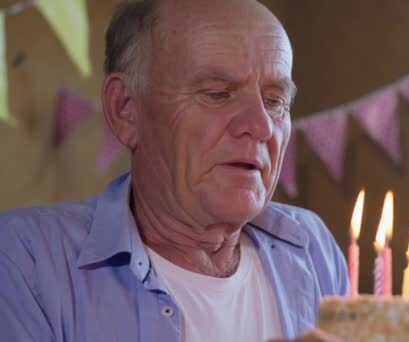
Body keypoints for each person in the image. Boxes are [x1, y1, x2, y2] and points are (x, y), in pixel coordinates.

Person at [0, 0, 348, 341]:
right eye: (218, 94)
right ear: (125, 109)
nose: (261, 126)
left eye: (275, 101)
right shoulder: (24, 261)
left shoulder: (311, 245)